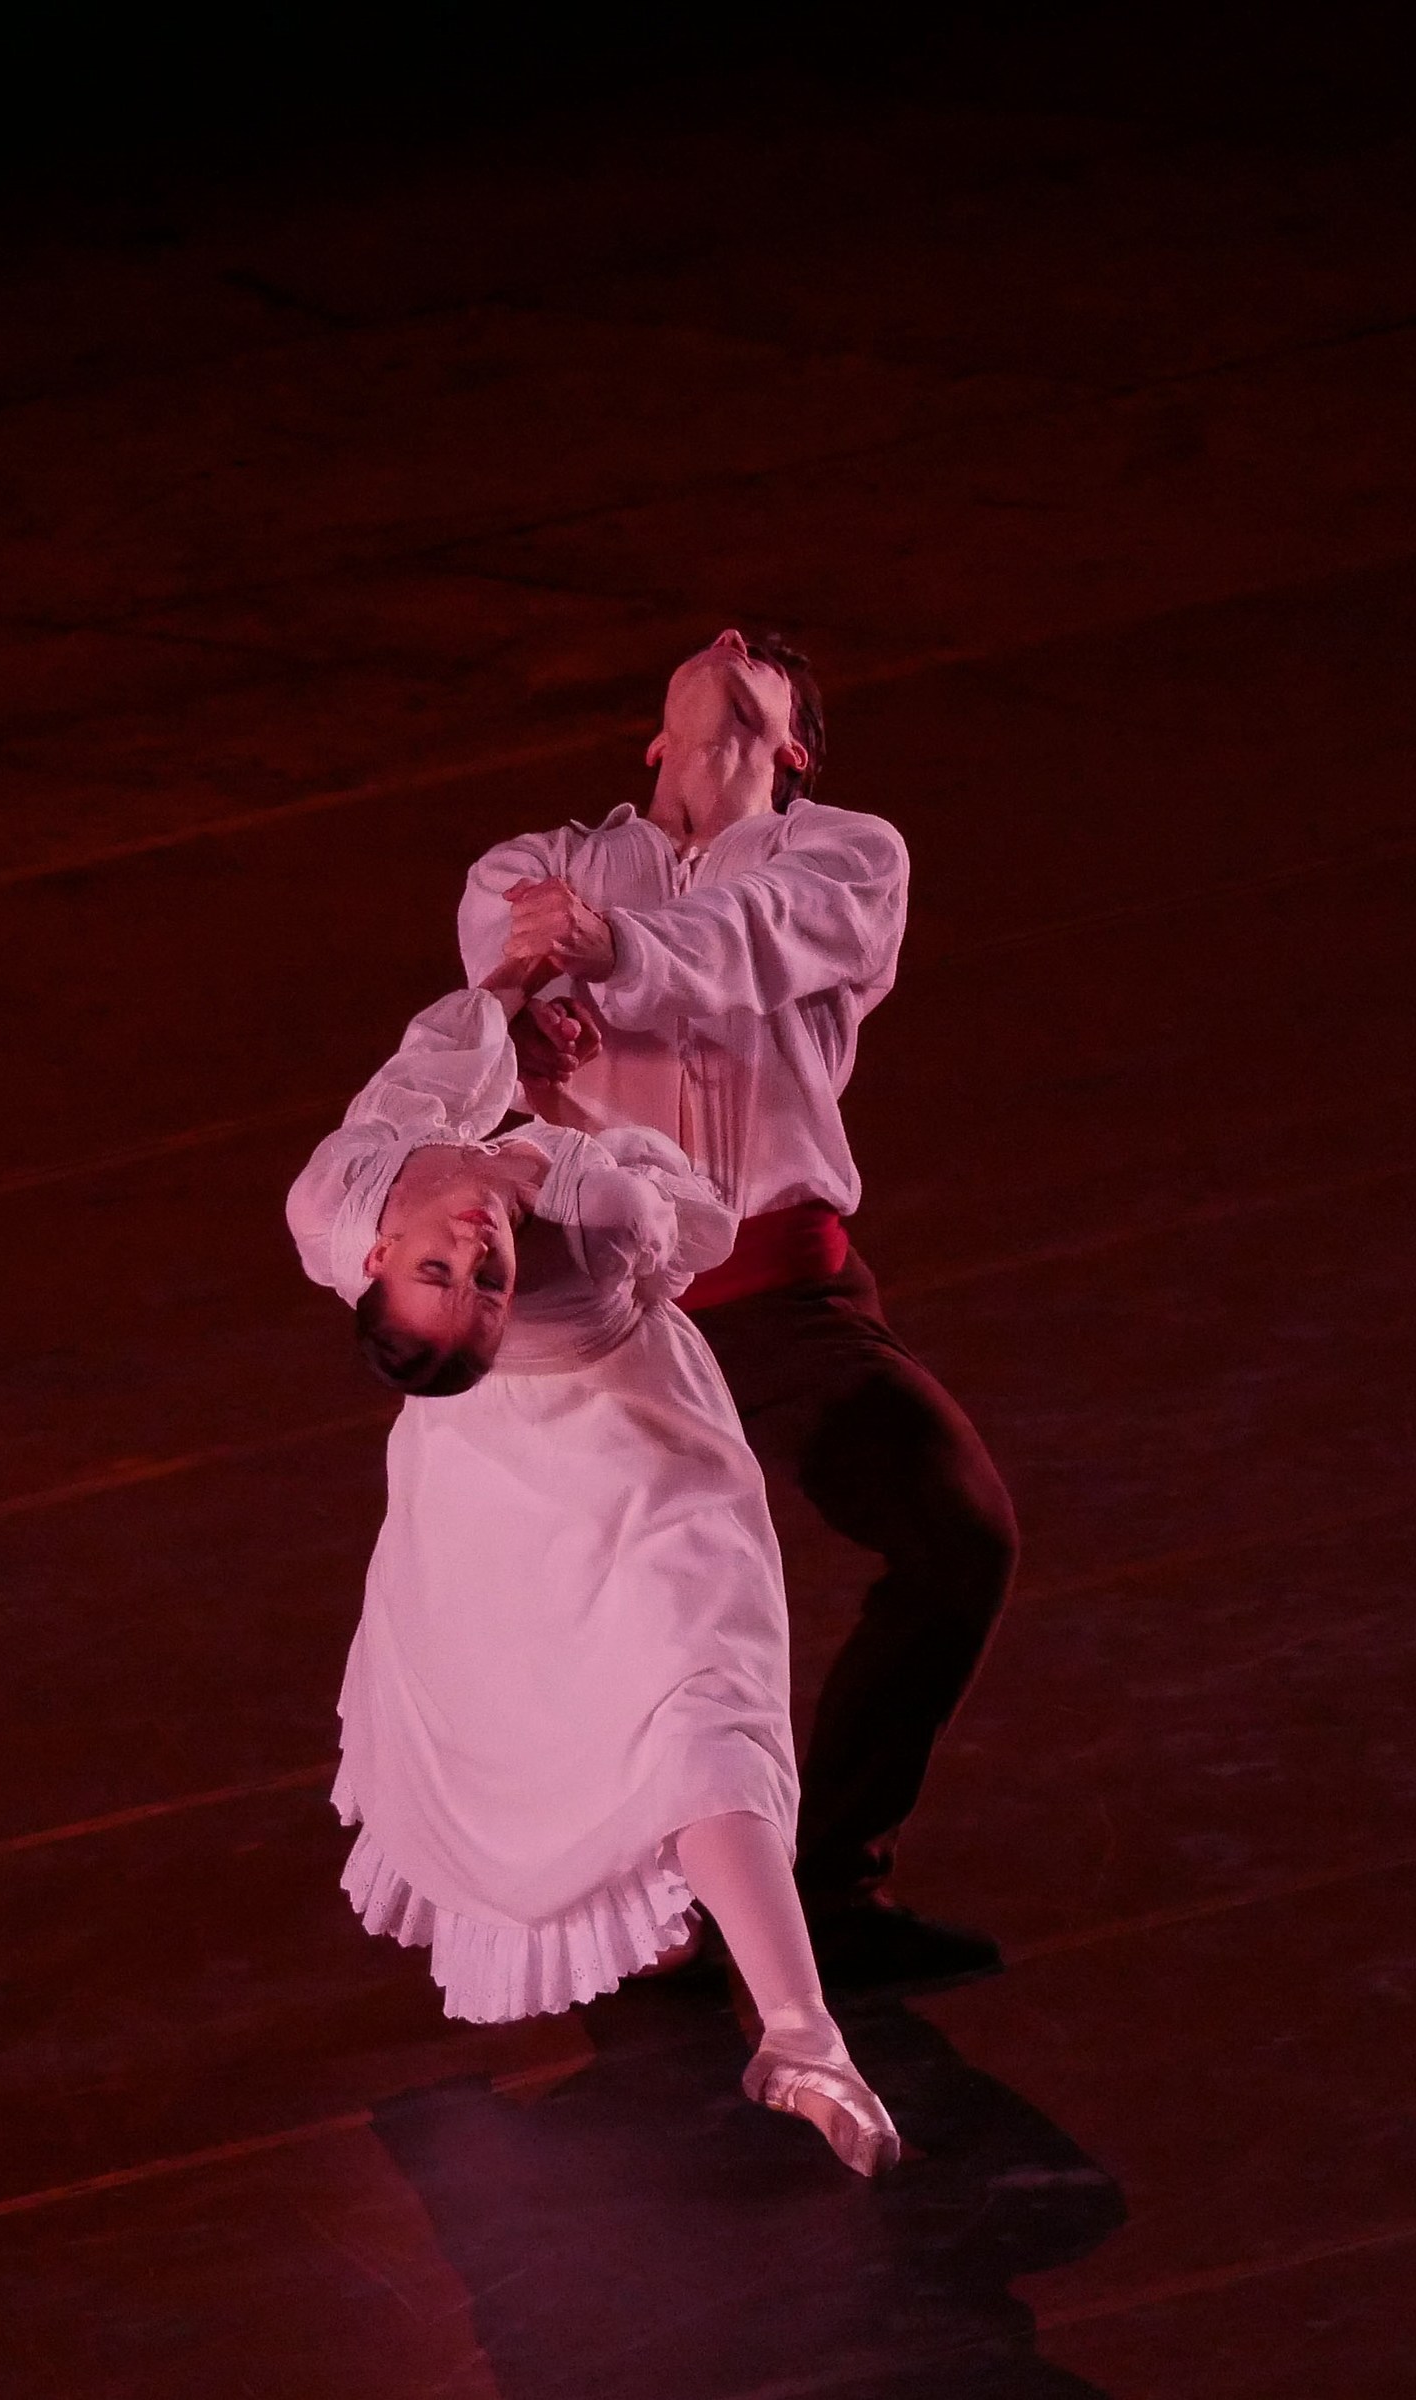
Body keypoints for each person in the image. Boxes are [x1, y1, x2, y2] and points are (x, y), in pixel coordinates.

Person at [459, 627, 1018, 1988]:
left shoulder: (846, 858)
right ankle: (638, 1910)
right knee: (623, 1628)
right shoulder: (532, 868)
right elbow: (494, 979)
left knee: (957, 1537)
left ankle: (824, 1880)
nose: (722, 640)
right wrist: (532, 998)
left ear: (795, 743)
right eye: (705, 649)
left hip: (780, 1286)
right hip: (603, 1315)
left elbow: (747, 942)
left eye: (758, 655)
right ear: (651, 737)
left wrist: (611, 952)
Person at [285, 969, 901, 2175]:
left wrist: (510, 997)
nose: (470, 1256)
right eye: (477, 1282)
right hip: (505, 1498)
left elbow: (424, 1078)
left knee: (698, 1716)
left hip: (650, 1487)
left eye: (451, 1274)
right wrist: (554, 1148)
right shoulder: (589, 1217)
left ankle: (801, 2035)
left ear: (373, 1256)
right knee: (557, 1737)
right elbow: (697, 1216)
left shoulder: (334, 1199)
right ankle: (690, 1938)